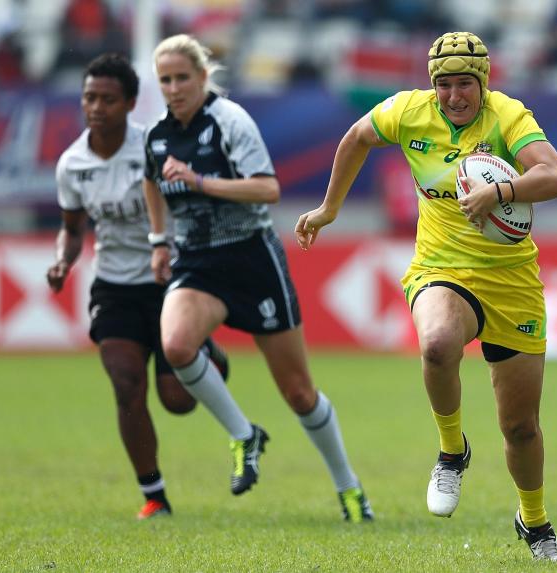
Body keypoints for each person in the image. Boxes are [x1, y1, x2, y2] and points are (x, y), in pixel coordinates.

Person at [296, 32, 557, 560]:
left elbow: (555, 176)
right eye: (443, 85)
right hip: (440, 268)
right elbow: (356, 138)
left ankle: (533, 521)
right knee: (438, 344)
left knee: (520, 427)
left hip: (511, 283)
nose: (454, 96)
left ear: (483, 83)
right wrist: (330, 209)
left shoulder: (508, 116)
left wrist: (501, 192)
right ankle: (452, 451)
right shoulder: (409, 112)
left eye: (465, 83)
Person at [141, 34, 373, 522]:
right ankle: (244, 434)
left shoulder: (230, 121)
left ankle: (349, 487)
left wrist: (202, 182)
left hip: (251, 259)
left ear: (203, 77)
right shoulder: (157, 135)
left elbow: (268, 189)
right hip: (198, 262)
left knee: (298, 393)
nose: (175, 87)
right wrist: (159, 241)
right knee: (177, 346)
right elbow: (151, 178)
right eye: (166, 79)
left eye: (183, 77)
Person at [46, 53, 231, 521]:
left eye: (108, 99)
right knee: (127, 386)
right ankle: (155, 495)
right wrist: (63, 261)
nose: (96, 107)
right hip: (113, 287)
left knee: (177, 400)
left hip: (167, 281)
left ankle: (209, 356)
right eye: (89, 97)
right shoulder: (72, 164)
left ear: (130, 103)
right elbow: (72, 227)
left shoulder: (153, 146)